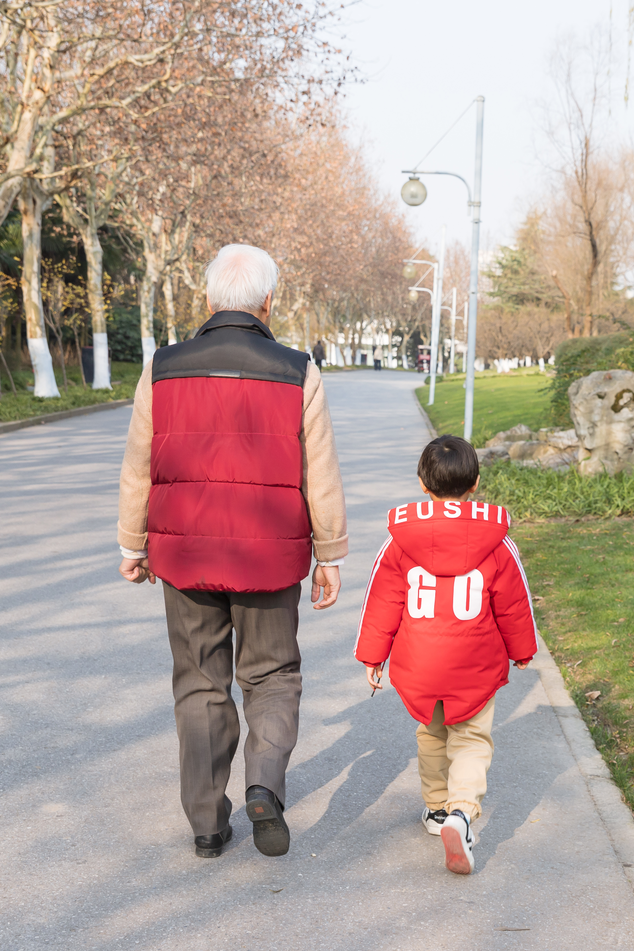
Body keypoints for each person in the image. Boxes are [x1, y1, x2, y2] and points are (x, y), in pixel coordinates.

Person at [116, 243, 348, 860]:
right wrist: (330, 554)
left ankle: (206, 823)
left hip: (185, 555)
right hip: (269, 555)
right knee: (272, 675)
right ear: (269, 302)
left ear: (209, 300)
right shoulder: (298, 370)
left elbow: (139, 463)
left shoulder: (163, 367)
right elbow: (318, 472)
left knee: (199, 680)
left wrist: (132, 542)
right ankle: (264, 787)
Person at [353, 435, 537, 875]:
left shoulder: (399, 542)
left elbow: (383, 601)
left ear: (422, 483)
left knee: (432, 736)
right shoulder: (496, 542)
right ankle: (461, 810)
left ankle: (437, 811)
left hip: (420, 664)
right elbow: (513, 602)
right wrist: (522, 649)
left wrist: (373, 656)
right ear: (475, 483)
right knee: (471, 738)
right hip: (474, 663)